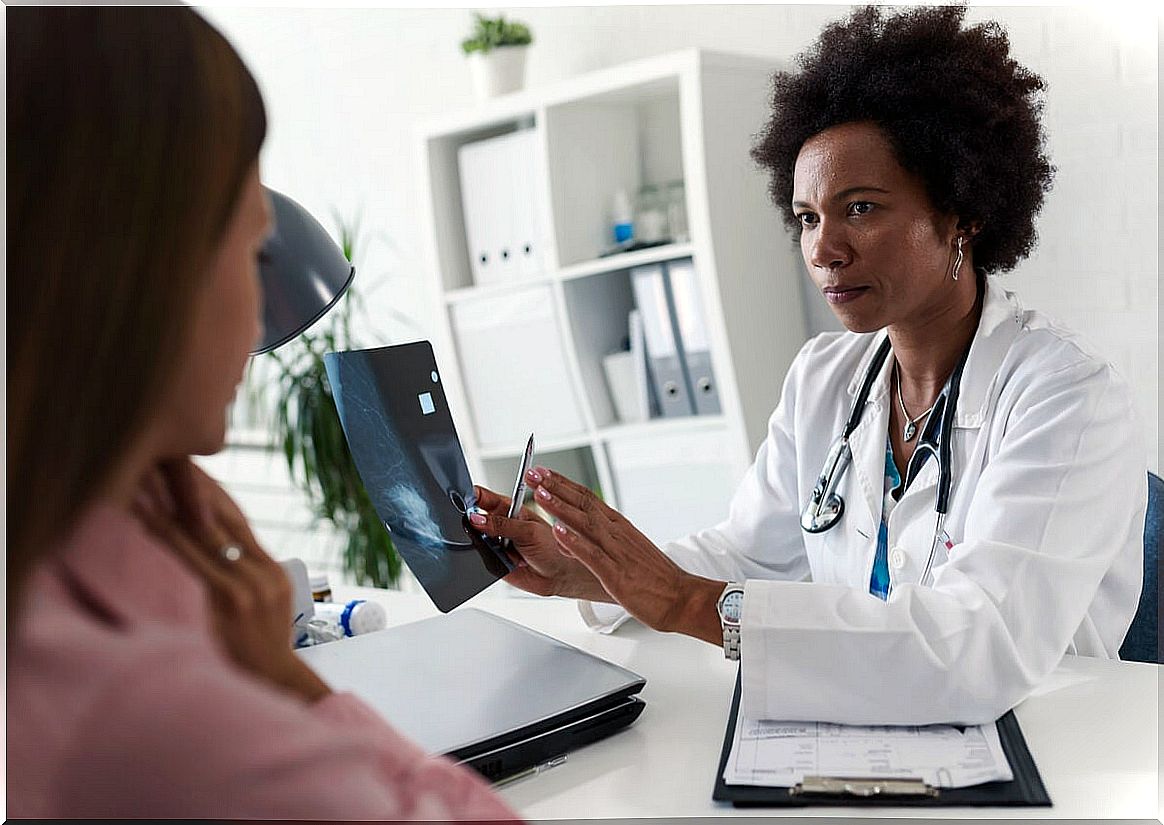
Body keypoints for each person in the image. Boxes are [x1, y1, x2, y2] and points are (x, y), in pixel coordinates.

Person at [473, 5, 1147, 726]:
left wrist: (682, 600)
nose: (824, 249)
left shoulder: (1067, 398)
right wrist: (592, 568)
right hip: (865, 732)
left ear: (962, 212)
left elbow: (975, 647)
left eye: (859, 208)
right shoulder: (826, 377)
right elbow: (749, 556)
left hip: (1046, 746)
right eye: (807, 217)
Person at [6, 8, 517, 819]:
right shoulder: (147, 712)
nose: (261, 316)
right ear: (145, 272)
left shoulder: (93, 544)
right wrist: (289, 685)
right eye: (252, 248)